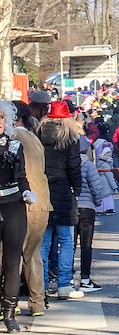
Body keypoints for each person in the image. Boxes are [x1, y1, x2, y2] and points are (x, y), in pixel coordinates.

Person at [38, 101, 83, 301]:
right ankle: (64, 285)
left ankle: (42, 285)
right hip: (64, 192)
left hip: (42, 192)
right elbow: (74, 167)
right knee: (66, 240)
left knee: (43, 243)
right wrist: (77, 188)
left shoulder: (38, 135)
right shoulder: (71, 138)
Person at [0, 102, 36, 332]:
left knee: (13, 261)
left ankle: (9, 314)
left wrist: (26, 191)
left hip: (13, 205)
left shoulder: (15, 145)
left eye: (1, 117)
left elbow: (21, 176)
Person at [13, 101, 50, 317]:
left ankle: (9, 302)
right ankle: (37, 303)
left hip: (22, 201)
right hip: (42, 201)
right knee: (33, 255)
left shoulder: (13, 138)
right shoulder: (33, 137)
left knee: (9, 255)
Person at [75, 135, 111, 293]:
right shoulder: (88, 165)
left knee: (69, 245)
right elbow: (97, 189)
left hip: (71, 207)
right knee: (86, 245)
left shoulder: (68, 163)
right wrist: (96, 203)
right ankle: (85, 279)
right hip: (87, 208)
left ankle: (67, 278)